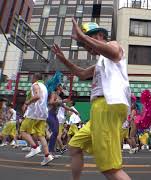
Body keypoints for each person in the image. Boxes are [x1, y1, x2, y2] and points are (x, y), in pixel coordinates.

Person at [52, 19, 131, 180]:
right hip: (99, 109)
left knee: (110, 168)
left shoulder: (114, 46)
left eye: (88, 40)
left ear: (101, 35)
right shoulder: (102, 61)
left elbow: (114, 52)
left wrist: (81, 35)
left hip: (107, 106)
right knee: (74, 146)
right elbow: (81, 74)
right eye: (84, 44)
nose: (87, 47)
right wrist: (64, 61)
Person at [20, 73, 53, 166]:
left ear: (35, 78)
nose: (31, 79)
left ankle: (34, 147)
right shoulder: (44, 86)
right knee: (41, 135)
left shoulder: (35, 85)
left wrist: (27, 102)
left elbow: (37, 96)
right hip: (43, 113)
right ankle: (47, 156)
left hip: (34, 113)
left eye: (31, 78)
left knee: (23, 131)